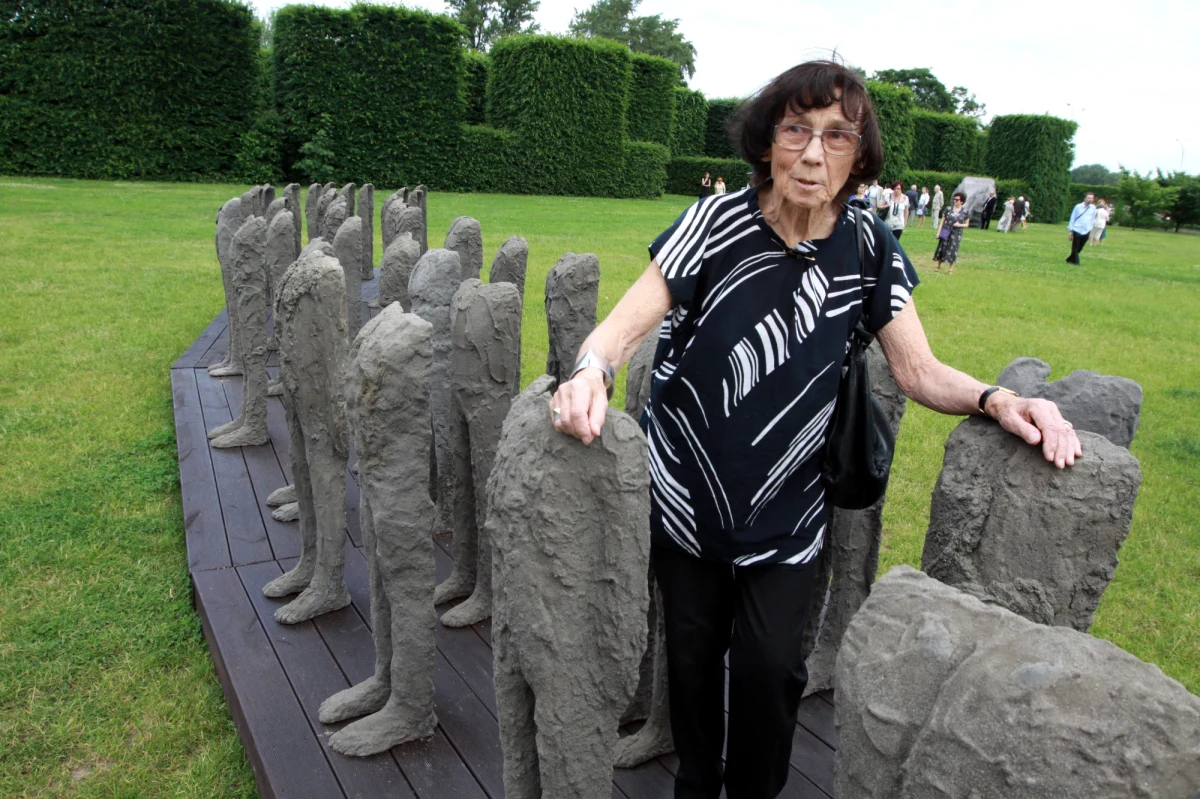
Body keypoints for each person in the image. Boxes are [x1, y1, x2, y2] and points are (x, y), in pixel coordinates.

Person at [548, 60, 1080, 799]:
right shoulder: (712, 225)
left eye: (836, 136)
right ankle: (696, 784)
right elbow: (620, 329)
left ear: (858, 157)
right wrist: (589, 371)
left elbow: (918, 371)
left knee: (772, 670)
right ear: (767, 139)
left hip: (787, 515)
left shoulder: (865, 247)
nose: (811, 153)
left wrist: (999, 398)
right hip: (686, 502)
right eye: (796, 129)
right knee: (692, 663)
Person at [933, 191, 970, 274]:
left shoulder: (965, 212)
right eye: (954, 199)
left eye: (957, 199)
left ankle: (950, 269)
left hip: (956, 234)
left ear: (962, 201)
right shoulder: (948, 209)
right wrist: (938, 232)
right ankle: (938, 266)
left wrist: (959, 225)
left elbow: (967, 224)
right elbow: (942, 221)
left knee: (953, 250)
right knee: (942, 248)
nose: (955, 201)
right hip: (946, 231)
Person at [1066, 192, 1096, 264]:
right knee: (1075, 246)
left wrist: (1091, 229)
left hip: (1086, 230)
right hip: (1077, 229)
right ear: (1085, 198)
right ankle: (1076, 262)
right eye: (1088, 198)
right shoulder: (1078, 207)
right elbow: (1072, 218)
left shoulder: (1093, 208)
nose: (1090, 200)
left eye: (1091, 198)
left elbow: (1092, 219)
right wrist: (1071, 230)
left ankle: (1070, 259)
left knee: (1080, 247)